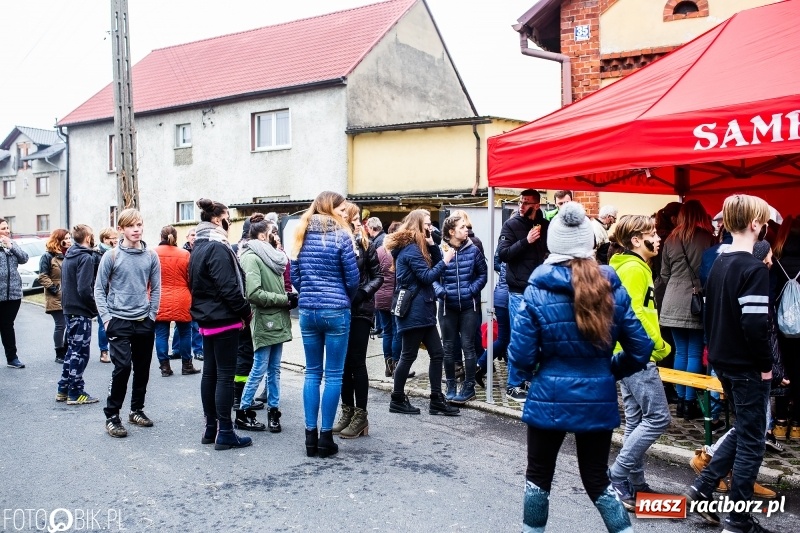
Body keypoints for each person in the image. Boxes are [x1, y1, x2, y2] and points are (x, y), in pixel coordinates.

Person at [509, 202, 653, 533]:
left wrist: (536, 373)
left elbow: (520, 355)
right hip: (597, 395)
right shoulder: (611, 285)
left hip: (548, 396)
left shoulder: (537, 288)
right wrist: (610, 369)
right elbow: (641, 348)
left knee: (538, 477)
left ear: (553, 244)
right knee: (597, 479)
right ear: (589, 243)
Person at [687, 194, 774, 533]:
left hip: (723, 360)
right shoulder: (752, 268)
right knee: (752, 440)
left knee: (744, 428)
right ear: (755, 224)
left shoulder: (720, 262)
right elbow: (754, 324)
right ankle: (737, 520)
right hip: (746, 364)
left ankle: (703, 487)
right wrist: (766, 364)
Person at [607, 215, 672, 509]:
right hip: (636, 354)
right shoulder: (635, 268)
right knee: (658, 417)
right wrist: (657, 346)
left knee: (636, 419)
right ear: (636, 240)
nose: (658, 238)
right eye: (652, 233)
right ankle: (619, 476)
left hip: (627, 352)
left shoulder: (629, 266)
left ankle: (635, 482)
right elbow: (636, 314)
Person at [290, 191, 359, 458]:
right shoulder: (342, 234)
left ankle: (310, 437)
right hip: (336, 310)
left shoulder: (301, 232)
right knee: (333, 375)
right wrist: (344, 298)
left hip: (308, 310)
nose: (344, 212)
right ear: (332, 208)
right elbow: (352, 278)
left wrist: (308, 292)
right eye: (341, 208)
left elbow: (294, 273)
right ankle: (325, 438)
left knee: (311, 372)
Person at [189, 198, 254, 450]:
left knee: (211, 373)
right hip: (223, 318)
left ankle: (211, 428)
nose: (229, 222)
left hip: (207, 318)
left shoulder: (200, 245)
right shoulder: (217, 247)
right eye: (227, 216)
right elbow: (227, 286)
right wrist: (245, 310)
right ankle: (225, 431)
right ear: (217, 219)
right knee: (224, 376)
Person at [384, 209, 459, 416]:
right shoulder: (410, 250)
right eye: (427, 224)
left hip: (423, 309)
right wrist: (446, 260)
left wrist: (434, 246)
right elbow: (427, 277)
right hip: (414, 310)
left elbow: (432, 266)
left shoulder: (420, 246)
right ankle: (397, 398)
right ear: (417, 225)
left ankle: (436, 399)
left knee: (437, 354)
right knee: (408, 355)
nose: (431, 228)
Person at [95, 209, 161, 438]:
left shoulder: (151, 256)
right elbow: (99, 289)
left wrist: (152, 315)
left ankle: (136, 410)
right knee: (122, 367)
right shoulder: (111, 256)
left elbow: (156, 288)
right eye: (131, 226)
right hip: (118, 321)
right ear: (121, 229)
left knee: (142, 369)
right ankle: (112, 416)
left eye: (140, 225)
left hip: (144, 320)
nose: (137, 229)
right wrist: (106, 319)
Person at [659, 199, 715, 420]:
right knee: (693, 351)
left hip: (672, 299)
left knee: (680, 351)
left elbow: (664, 274)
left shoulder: (671, 238)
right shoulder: (706, 238)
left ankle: (681, 400)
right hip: (696, 299)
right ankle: (690, 402)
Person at [239, 218, 294, 433]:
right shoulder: (251, 257)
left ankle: (273, 412)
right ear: (263, 235)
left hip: (277, 318)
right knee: (259, 368)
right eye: (274, 231)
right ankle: (243, 411)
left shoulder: (272, 257)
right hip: (264, 318)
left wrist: (287, 297)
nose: (277, 236)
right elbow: (252, 294)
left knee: (275, 370)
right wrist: (284, 299)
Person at [333, 203, 383, 439]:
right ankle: (347, 412)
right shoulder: (336, 242)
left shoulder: (366, 244)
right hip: (340, 308)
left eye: (348, 216)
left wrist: (362, 294)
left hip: (361, 310)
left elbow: (378, 277)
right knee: (342, 364)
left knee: (356, 362)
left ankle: (361, 415)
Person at [497, 189, 549, 401]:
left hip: (540, 289)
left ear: (537, 205)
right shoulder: (511, 225)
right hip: (518, 290)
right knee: (520, 338)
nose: (522, 205)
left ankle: (527, 379)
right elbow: (503, 254)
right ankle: (513, 384)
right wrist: (526, 240)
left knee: (536, 338)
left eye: (527, 202)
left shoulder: (545, 226)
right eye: (521, 201)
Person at [434, 214, 487, 404]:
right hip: (447, 307)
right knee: (448, 348)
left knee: (468, 346)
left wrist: (471, 290)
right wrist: (441, 292)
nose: (467, 229)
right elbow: (432, 276)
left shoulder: (473, 249)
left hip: (468, 307)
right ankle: (450, 386)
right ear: (451, 232)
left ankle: (468, 387)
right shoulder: (439, 250)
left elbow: (483, 274)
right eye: (462, 227)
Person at [57, 224, 101, 405]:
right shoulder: (85, 258)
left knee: (71, 351)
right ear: (88, 237)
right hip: (80, 310)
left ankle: (63, 388)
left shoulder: (69, 255)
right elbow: (84, 288)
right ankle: (75, 392)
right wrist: (94, 308)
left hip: (69, 308)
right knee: (80, 353)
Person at [154, 225, 200, 377]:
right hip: (182, 297)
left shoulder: (153, 253)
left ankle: (165, 367)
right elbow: (191, 278)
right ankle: (187, 365)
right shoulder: (185, 254)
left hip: (160, 297)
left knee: (161, 334)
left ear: (161, 237)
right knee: (185, 333)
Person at [772, 216, 800, 442]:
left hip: (780, 326)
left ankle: (780, 424)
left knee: (784, 372)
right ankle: (798, 424)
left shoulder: (777, 260)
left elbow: (770, 294)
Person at [476, 251, 510, 388]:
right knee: (511, 339)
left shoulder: (508, 252)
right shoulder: (521, 253)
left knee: (503, 339)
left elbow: (497, 262)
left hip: (500, 297)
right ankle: (515, 380)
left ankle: (480, 365)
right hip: (509, 298)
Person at [38, 228, 71, 364]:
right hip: (55, 295)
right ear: (58, 240)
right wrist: (54, 289)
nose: (69, 241)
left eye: (70, 238)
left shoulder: (70, 254)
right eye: (67, 238)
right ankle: (59, 353)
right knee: (60, 325)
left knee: (70, 324)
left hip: (69, 295)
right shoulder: (48, 256)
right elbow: (42, 276)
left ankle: (67, 349)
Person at [171, 227, 203, 362]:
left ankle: (198, 350)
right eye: (192, 235)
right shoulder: (182, 252)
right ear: (187, 237)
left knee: (196, 324)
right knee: (181, 324)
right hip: (184, 291)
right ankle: (176, 349)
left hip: (196, 291)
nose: (194, 237)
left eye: (196, 235)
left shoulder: (201, 250)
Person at [0, 217, 28, 369]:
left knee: (7, 325)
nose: (7, 231)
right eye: (3, 228)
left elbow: (24, 259)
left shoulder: (12, 245)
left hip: (13, 294)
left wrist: (11, 246)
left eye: (7, 228)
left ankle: (12, 358)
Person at [95, 227, 118, 363]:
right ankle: (104, 351)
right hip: (103, 294)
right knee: (103, 323)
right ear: (104, 239)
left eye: (116, 237)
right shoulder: (97, 255)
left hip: (115, 295)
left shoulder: (117, 253)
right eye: (112, 238)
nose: (115, 240)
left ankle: (114, 349)